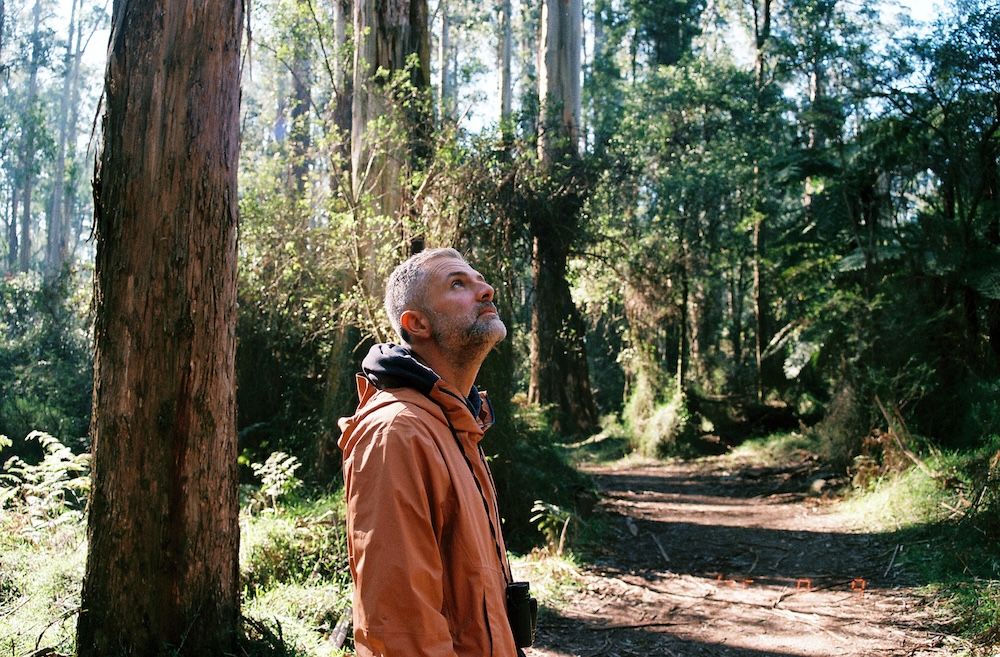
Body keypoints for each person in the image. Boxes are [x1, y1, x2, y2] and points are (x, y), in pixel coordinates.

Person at [338, 248, 532, 657]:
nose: (486, 290)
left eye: (480, 280)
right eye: (458, 284)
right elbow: (400, 629)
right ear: (417, 323)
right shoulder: (398, 433)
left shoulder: (456, 423)